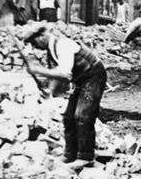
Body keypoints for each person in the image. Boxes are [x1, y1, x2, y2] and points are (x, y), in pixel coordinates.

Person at [20, 23, 107, 170]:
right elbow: (56, 73)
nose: (35, 47)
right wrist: (50, 90)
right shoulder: (51, 49)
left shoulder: (63, 44)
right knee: (68, 117)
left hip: (93, 77)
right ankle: (70, 154)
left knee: (82, 116)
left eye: (35, 43)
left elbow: (65, 74)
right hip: (81, 80)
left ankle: (86, 157)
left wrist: (38, 70)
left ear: (42, 36)